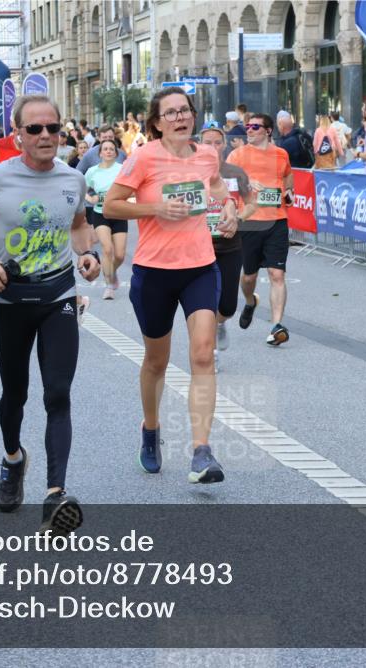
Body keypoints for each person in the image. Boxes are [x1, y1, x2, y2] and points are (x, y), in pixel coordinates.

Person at [0, 95, 100, 533]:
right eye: (35, 129)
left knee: (58, 394)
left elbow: (78, 222)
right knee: (15, 397)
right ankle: (13, 458)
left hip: (59, 297)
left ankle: (55, 495)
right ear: (18, 135)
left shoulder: (73, 178)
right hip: (12, 301)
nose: (46, 135)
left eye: (53, 128)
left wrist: (87, 254)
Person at [104, 87, 238, 484]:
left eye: (186, 111)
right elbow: (111, 205)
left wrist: (228, 206)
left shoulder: (206, 154)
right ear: (157, 122)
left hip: (200, 267)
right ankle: (150, 429)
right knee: (156, 362)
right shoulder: (144, 157)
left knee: (201, 355)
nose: (180, 118)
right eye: (171, 113)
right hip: (154, 272)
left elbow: (214, 185)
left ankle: (201, 451)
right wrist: (155, 208)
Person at [228, 113, 294, 346]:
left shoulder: (281, 154)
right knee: (249, 276)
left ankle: (276, 326)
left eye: (255, 126)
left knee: (277, 274)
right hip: (250, 222)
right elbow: (224, 181)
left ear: (268, 131)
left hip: (277, 220)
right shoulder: (238, 154)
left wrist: (288, 192)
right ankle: (249, 301)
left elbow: (288, 176)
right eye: (247, 126)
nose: (249, 130)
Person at [200, 126, 257, 371]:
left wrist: (238, 219)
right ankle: (209, 352)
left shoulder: (235, 173)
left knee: (227, 306)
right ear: (199, 145)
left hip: (230, 245)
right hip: (199, 246)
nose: (213, 147)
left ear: (224, 145)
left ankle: (221, 323)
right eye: (207, 142)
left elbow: (253, 203)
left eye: (217, 142)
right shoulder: (192, 171)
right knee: (205, 303)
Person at [84, 139, 128, 300]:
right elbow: (81, 187)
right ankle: (109, 284)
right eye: (105, 149)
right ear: (100, 153)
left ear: (116, 153)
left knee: (120, 255)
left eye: (111, 149)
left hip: (119, 213)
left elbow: (131, 187)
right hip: (99, 213)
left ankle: (112, 270)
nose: (108, 151)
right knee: (107, 249)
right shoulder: (92, 171)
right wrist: (90, 198)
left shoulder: (122, 169)